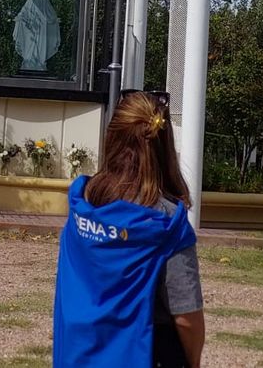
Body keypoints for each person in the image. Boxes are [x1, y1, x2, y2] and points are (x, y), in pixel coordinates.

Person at [53, 91, 205, 367]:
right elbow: (186, 317)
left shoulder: (83, 203)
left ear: (112, 138)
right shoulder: (167, 223)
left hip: (79, 354)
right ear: (165, 145)